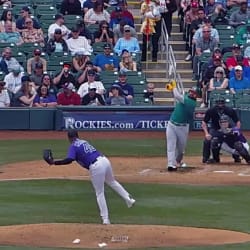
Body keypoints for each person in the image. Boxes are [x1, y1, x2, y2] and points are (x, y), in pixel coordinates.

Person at [48, 129, 136, 224]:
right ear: (77, 136)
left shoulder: (73, 146)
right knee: (112, 181)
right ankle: (129, 199)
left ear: (69, 138)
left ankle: (105, 219)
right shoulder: (84, 141)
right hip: (105, 160)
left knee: (99, 193)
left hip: (96, 166)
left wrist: (54, 163)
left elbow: (70, 159)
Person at [166, 82, 198, 171]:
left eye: (194, 93)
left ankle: (177, 161)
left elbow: (177, 96)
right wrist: (171, 88)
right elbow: (175, 96)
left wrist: (174, 86)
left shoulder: (191, 103)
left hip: (183, 128)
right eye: (191, 92)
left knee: (181, 150)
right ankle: (170, 164)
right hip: (171, 124)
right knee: (170, 146)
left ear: (196, 96)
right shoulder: (186, 97)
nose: (191, 93)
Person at [201, 97, 241, 164]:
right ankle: (207, 158)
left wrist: (236, 130)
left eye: (221, 103)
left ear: (224, 103)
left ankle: (236, 156)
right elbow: (204, 122)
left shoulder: (230, 110)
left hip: (228, 129)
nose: (220, 105)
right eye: (218, 103)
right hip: (215, 129)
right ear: (215, 104)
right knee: (208, 140)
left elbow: (237, 122)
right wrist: (206, 133)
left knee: (235, 141)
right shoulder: (211, 110)